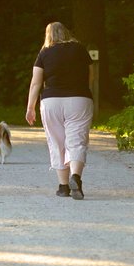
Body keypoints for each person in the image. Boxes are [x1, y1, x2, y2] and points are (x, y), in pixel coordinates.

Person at [25, 21, 95, 200]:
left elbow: (35, 82)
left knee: (57, 142)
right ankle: (76, 177)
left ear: (48, 35)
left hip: (51, 101)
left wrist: (30, 107)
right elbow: (91, 76)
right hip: (79, 99)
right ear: (66, 33)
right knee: (77, 141)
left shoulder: (44, 52)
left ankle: (63, 187)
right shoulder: (80, 49)